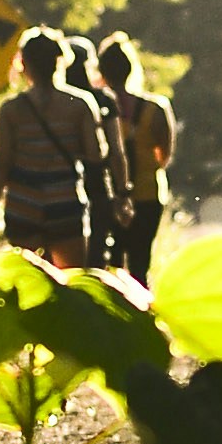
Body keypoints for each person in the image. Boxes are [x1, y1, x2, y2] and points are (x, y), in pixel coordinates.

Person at [0, 23, 114, 268]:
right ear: (60, 61)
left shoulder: (11, 110)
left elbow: (2, 163)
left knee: (26, 283)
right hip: (65, 203)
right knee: (70, 282)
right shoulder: (81, 104)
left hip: (22, 204)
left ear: (24, 64)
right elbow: (95, 155)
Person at [88, 31, 175, 281]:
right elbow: (164, 156)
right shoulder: (156, 109)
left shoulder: (95, 108)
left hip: (109, 196)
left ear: (101, 71)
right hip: (148, 195)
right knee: (139, 266)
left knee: (110, 268)